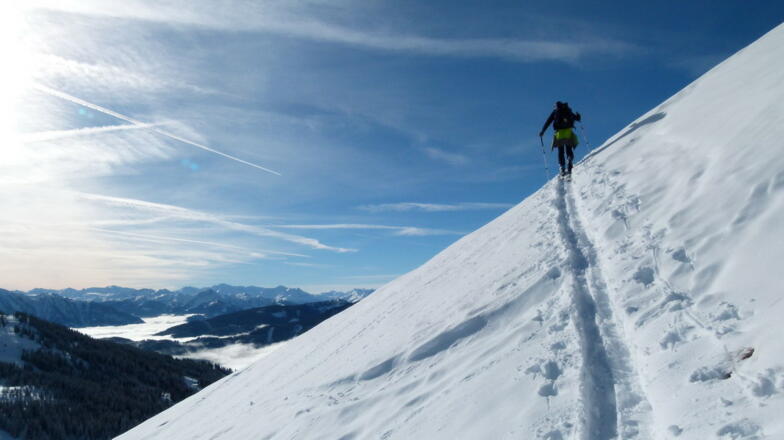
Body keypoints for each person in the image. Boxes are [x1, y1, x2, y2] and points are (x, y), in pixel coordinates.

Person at [539, 101, 581, 177]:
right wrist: (578, 116)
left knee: (560, 151)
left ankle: (562, 167)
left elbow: (548, 122)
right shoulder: (567, 110)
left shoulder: (555, 112)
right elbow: (576, 118)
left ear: (556, 106)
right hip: (568, 132)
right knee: (568, 148)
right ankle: (569, 159)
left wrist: (542, 131)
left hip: (559, 133)